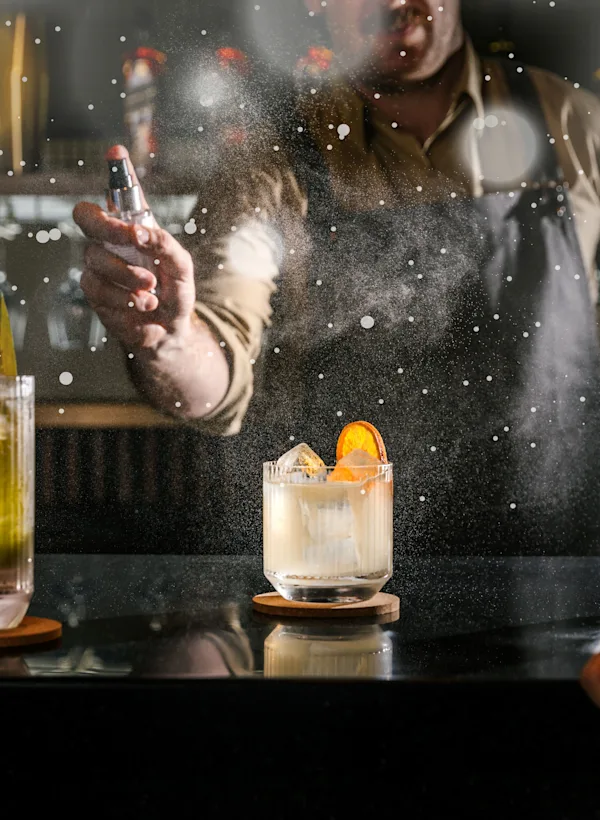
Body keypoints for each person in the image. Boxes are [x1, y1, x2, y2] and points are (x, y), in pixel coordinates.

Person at [74, 0, 600, 554]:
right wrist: (172, 341)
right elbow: (219, 357)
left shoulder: (575, 125)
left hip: (568, 573)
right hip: (343, 580)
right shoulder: (268, 160)